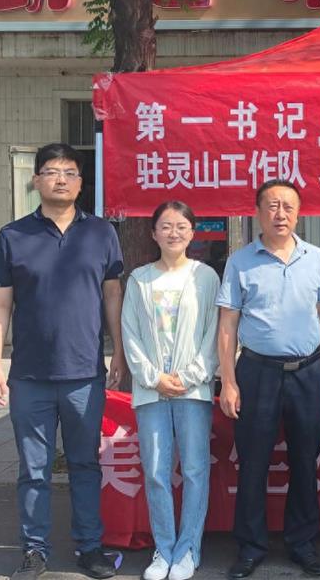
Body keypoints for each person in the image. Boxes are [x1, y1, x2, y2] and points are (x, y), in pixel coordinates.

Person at [0, 143, 126, 580]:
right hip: (30, 375)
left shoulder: (101, 233)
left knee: (85, 464)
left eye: (69, 172)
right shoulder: (13, 235)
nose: (60, 179)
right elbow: (0, 306)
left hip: (85, 373)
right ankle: (34, 551)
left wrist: (119, 352)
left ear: (81, 183)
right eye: (51, 171)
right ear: (36, 180)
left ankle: (90, 547)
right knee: (34, 469)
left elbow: (112, 296)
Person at [217, 179, 320, 579]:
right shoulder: (240, 261)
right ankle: (250, 547)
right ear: (257, 213)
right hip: (257, 373)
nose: (280, 214)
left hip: (308, 373)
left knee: (305, 460)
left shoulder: (315, 257)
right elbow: (228, 323)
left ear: (299, 213)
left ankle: (303, 544)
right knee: (253, 462)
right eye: (272, 206)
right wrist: (229, 380)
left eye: (288, 206)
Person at [121, 201, 220, 580]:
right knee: (156, 471)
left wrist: (191, 375)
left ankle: (188, 550)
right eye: (166, 226)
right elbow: (130, 333)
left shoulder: (205, 277)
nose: (173, 233)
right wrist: (153, 377)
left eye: (181, 226)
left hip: (193, 391)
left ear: (192, 232)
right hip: (151, 391)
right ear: (154, 233)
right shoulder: (140, 279)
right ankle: (163, 550)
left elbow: (214, 333)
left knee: (195, 469)